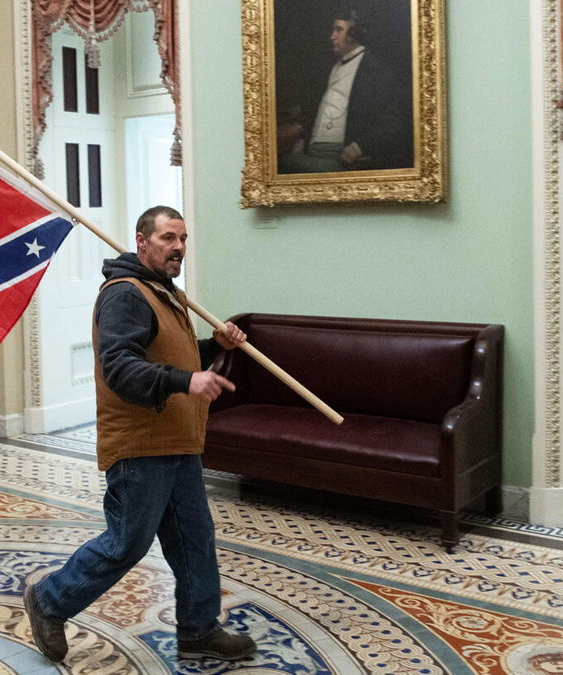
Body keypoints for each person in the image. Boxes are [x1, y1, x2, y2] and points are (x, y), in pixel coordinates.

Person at [23, 206, 258, 663]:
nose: (178, 247)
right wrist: (186, 381)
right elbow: (121, 368)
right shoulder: (126, 295)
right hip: (141, 444)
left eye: (183, 238)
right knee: (126, 542)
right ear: (142, 241)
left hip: (178, 440)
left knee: (194, 538)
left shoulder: (164, 292)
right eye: (168, 237)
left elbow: (167, 356)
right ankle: (50, 601)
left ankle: (198, 630)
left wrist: (214, 347)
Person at [279, 7, 412, 173]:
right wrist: (302, 139)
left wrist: (358, 148)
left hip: (340, 157)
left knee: (282, 163)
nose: (332, 36)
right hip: (312, 150)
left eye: (339, 30)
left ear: (354, 33)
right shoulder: (333, 67)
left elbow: (394, 123)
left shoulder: (376, 70)